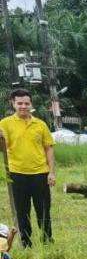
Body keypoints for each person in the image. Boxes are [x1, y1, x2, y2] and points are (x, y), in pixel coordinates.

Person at [0, 89, 56, 247]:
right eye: (20, 103)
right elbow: (2, 149)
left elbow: (49, 149)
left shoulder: (40, 124)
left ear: (31, 104)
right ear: (13, 104)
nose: (23, 106)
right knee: (22, 210)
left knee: (43, 209)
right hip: (16, 173)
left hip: (40, 173)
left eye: (26, 103)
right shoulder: (5, 124)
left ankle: (47, 240)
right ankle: (25, 242)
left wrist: (51, 172)